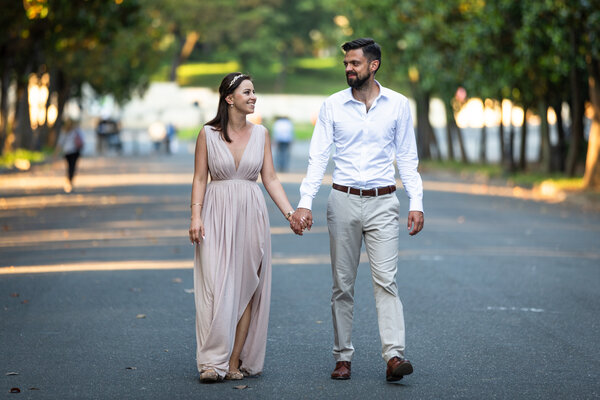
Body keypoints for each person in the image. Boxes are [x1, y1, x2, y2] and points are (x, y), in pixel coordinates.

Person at [289, 38, 425, 382]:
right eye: (346, 64)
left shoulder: (398, 105)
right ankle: (342, 357)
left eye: (355, 63)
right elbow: (318, 156)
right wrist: (305, 203)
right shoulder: (332, 105)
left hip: (383, 201)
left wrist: (416, 202)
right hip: (343, 200)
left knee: (386, 281)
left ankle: (394, 356)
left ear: (373, 65)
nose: (349, 69)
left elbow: (407, 157)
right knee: (343, 284)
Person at [188, 72, 296, 383]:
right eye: (247, 92)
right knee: (216, 286)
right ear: (229, 98)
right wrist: (195, 217)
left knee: (247, 285)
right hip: (216, 213)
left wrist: (290, 214)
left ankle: (233, 361)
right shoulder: (207, 134)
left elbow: (271, 178)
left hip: (251, 213)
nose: (253, 97)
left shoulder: (261, 133)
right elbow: (199, 179)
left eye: (254, 92)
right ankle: (211, 362)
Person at [56, 119, 85, 193]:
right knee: (72, 167)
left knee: (70, 167)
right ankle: (70, 181)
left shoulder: (65, 131)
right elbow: (82, 140)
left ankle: (69, 181)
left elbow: (60, 142)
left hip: (69, 152)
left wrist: (56, 152)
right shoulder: (76, 131)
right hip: (73, 152)